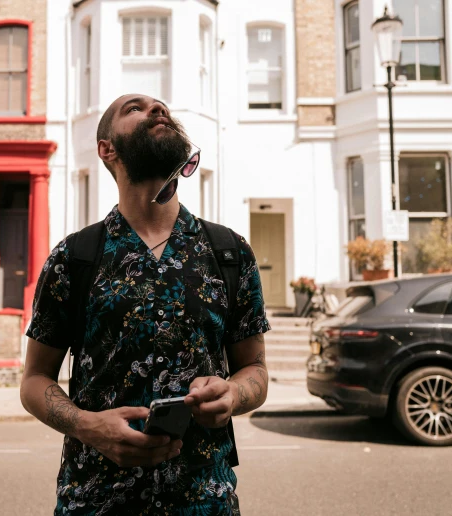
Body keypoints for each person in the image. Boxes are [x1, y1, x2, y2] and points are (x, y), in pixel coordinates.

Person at [21, 93, 270, 515]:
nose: (159, 110)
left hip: (204, 501)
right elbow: (33, 382)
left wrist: (233, 394)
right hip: (95, 501)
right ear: (106, 148)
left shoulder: (229, 252)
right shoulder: (74, 257)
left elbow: (256, 371)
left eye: (162, 108)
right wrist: (88, 425)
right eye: (134, 109)